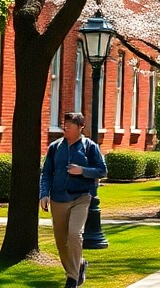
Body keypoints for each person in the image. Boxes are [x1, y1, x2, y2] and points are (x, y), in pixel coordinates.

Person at [39, 112, 107, 288]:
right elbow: (46, 173)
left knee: (75, 234)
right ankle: (80, 264)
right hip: (58, 199)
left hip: (81, 198)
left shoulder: (90, 147)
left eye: (69, 126)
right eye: (65, 125)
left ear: (80, 127)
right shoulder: (55, 147)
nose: (65, 128)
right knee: (61, 242)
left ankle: (72, 278)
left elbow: (102, 170)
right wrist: (44, 194)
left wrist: (82, 170)